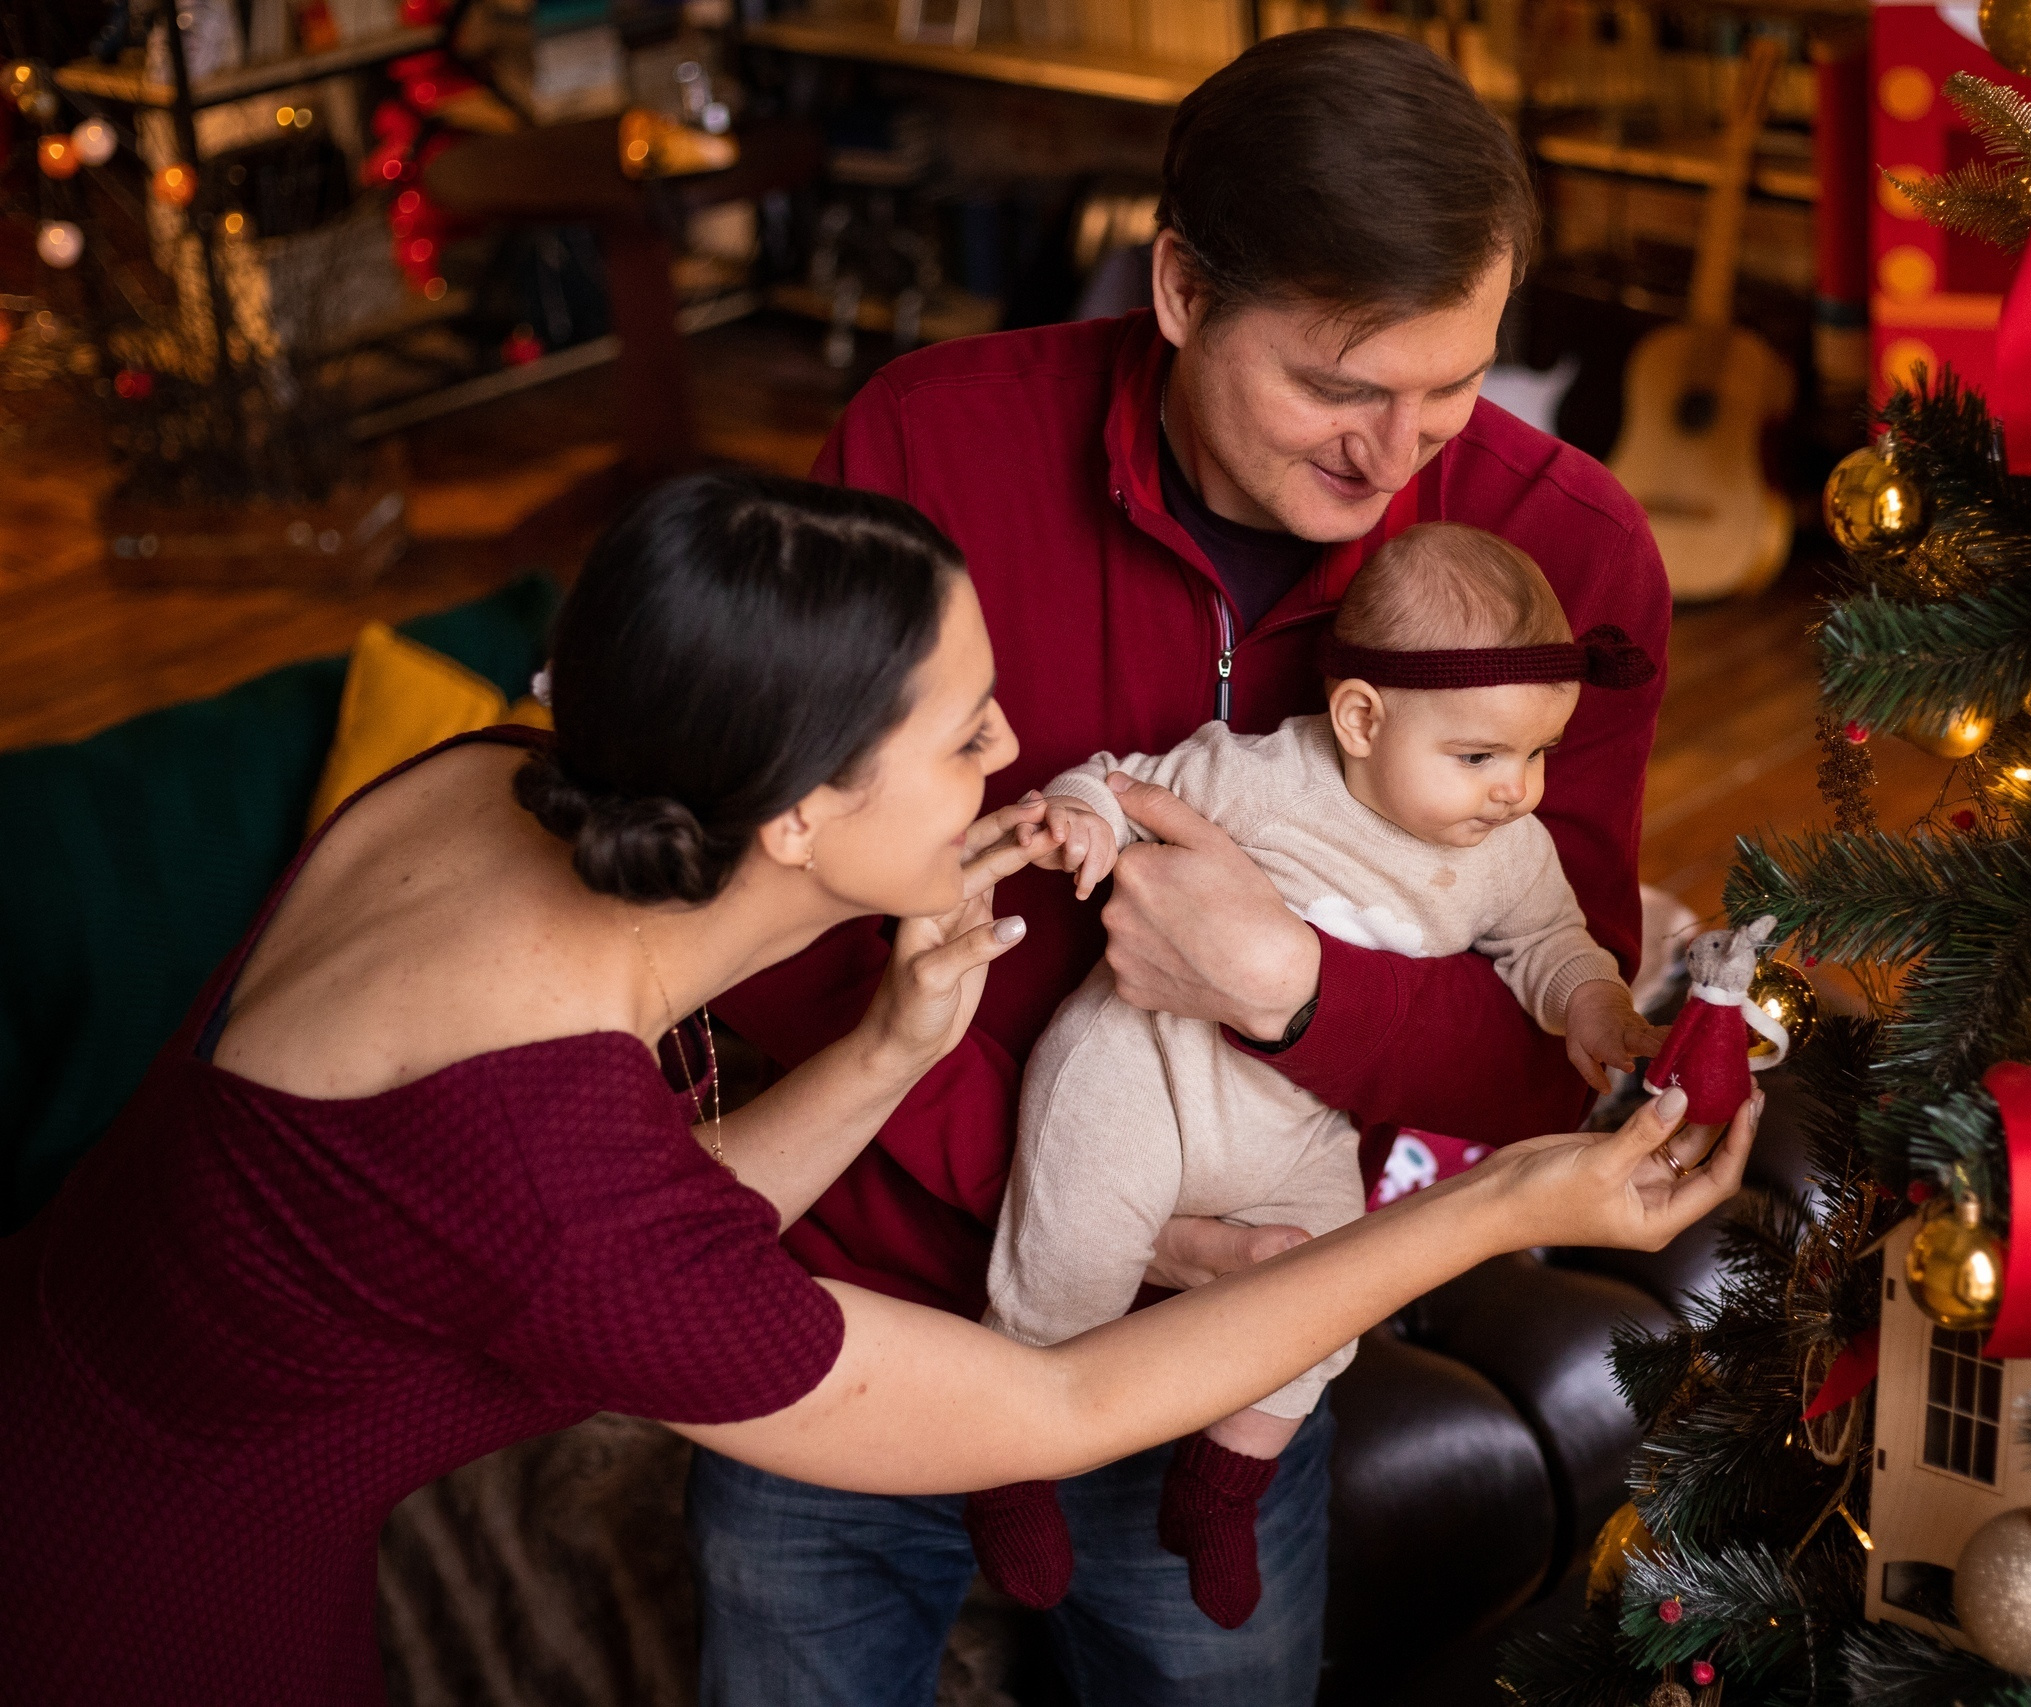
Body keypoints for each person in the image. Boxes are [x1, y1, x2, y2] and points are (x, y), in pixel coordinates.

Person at [0, 471, 1755, 1706]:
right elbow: (1049, 1411)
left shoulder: (489, 780)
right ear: (798, 821)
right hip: (135, 1613)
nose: (1020, 755)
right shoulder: (558, 1187)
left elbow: (599, 1212)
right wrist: (1505, 1202)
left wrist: (889, 1048)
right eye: (972, 729)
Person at [697, 25, 1675, 1707]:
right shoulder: (931, 447)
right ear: (1176, 290)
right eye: (1336, 386)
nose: (1397, 458)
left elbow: (1542, 1049)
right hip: (859, 1318)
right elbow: (780, 936)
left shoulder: (1568, 563)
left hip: (1230, 1357)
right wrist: (1087, 1193)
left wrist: (1295, 996)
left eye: (1452, 386)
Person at [967, 524, 1670, 1629]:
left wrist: (1591, 1006)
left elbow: (1552, 946)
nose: (1517, 793)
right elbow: (1120, 783)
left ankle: (1223, 1484)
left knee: (1328, 1296)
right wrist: (1081, 822)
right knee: (1071, 1246)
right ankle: (1008, 1458)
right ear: (1359, 719)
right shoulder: (1258, 776)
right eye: (1481, 758)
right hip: (1139, 1068)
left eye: (1538, 756)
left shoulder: (1506, 855)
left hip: (1299, 1122)